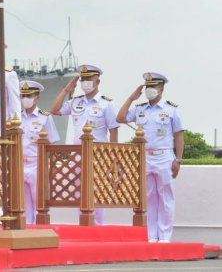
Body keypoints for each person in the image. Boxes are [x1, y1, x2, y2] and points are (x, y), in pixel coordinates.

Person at [117, 72, 184, 243]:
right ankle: (152, 236)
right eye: (147, 86)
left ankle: (165, 236)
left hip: (164, 156)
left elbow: (179, 135)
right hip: (145, 157)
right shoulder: (140, 109)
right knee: (150, 198)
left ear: (161, 88)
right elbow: (120, 118)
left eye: (153, 86)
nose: (149, 90)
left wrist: (178, 159)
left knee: (166, 198)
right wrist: (131, 98)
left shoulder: (171, 109)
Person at [51, 64, 119, 225]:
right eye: (83, 79)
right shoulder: (76, 102)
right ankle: (84, 223)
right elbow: (55, 109)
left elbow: (114, 131)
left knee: (97, 190)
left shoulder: (106, 104)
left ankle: (99, 226)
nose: (86, 82)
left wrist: (113, 155)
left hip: (98, 153)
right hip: (78, 153)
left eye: (89, 79)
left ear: (98, 81)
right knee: (79, 191)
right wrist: (67, 90)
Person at [20, 80, 60, 225]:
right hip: (20, 163)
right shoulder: (16, 117)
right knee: (23, 205)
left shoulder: (45, 117)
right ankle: (27, 229)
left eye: (29, 96)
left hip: (37, 163)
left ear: (37, 97)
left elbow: (53, 141)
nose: (26, 99)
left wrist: (51, 166)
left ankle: (40, 229)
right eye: (23, 96)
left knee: (39, 201)